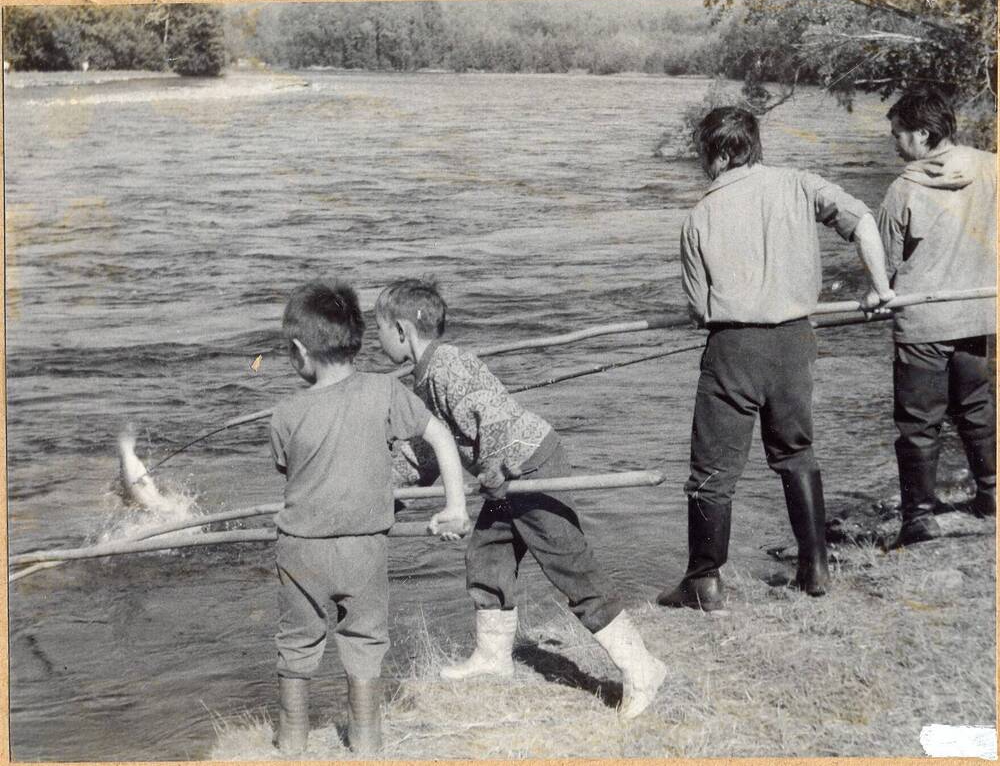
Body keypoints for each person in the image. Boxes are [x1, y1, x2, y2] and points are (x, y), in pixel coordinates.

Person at [376, 279, 666, 720]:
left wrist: (495, 469)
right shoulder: (424, 381)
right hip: (504, 479)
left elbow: (489, 413)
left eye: (377, 329)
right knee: (488, 555)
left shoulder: (450, 365)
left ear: (400, 330)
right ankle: (493, 658)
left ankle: (642, 667)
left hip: (530, 467)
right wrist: (383, 500)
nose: (375, 340)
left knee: (570, 565)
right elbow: (424, 454)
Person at [657, 106, 896, 612]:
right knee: (795, 452)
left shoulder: (699, 216)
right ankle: (815, 567)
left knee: (712, 470)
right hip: (794, 343)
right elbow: (865, 223)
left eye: (704, 153)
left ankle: (703, 581)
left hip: (733, 350)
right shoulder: (800, 184)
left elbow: (700, 311)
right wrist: (882, 289)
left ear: (719, 154)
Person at [269, 280, 469, 755]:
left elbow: (285, 467)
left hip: (301, 551)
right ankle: (367, 742)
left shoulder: (286, 411)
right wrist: (455, 505)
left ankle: (292, 744)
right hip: (365, 546)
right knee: (364, 641)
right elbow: (441, 438)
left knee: (297, 645)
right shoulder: (385, 391)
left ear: (299, 352)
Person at [877, 88, 997, 547]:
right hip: (977, 313)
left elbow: (884, 265)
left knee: (918, 423)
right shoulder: (991, 168)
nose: (894, 142)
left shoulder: (903, 188)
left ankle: (919, 519)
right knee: (977, 410)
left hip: (922, 322)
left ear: (923, 135)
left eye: (899, 134)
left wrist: (878, 294)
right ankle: (991, 495)